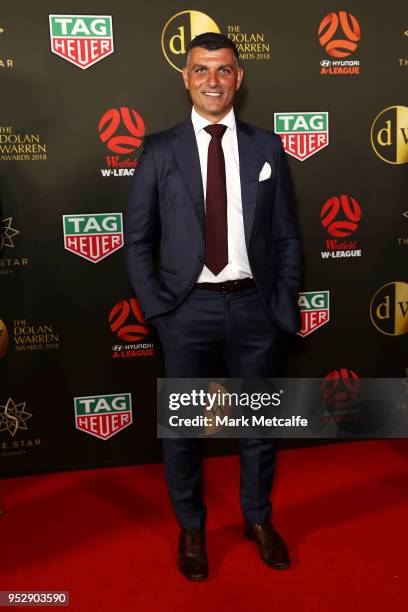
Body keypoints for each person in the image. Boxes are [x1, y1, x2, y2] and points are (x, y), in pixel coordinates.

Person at [125, 32, 302, 581]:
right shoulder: (158, 150)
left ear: (238, 78)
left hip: (254, 308)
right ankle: (192, 527)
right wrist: (158, 307)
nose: (212, 80)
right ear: (185, 76)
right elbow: (137, 240)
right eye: (201, 69)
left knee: (257, 426)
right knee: (183, 429)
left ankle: (258, 520)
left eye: (223, 70)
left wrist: (285, 296)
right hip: (187, 310)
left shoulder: (267, 147)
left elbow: (288, 235)